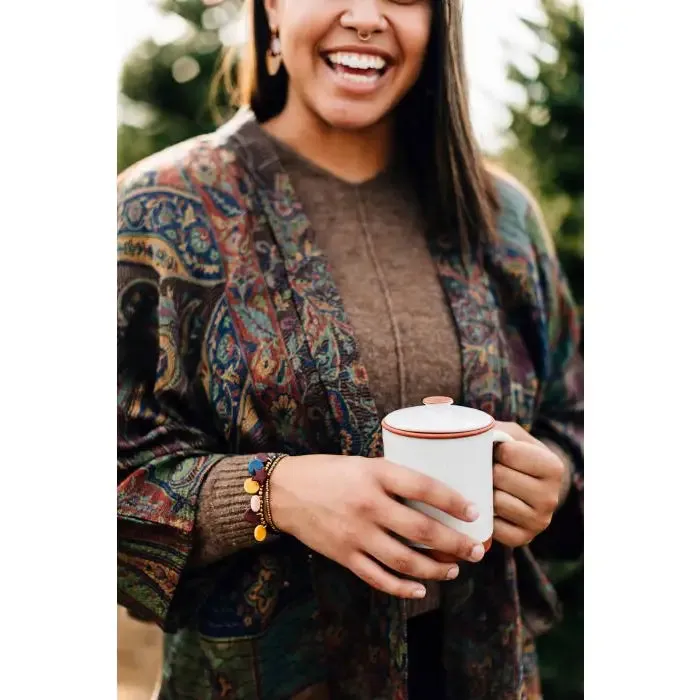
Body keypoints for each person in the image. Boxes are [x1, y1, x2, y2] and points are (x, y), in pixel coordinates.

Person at [117, 0, 584, 698]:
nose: (364, 16)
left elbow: (577, 420)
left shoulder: (503, 217)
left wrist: (556, 479)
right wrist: (274, 494)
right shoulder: (156, 212)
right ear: (272, 10)